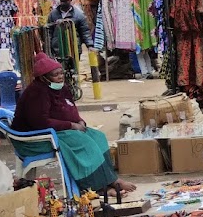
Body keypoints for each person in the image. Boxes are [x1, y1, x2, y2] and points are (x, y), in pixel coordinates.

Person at [12, 52, 135, 194]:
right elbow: (41, 122)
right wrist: (71, 125)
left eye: (61, 73)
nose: (60, 77)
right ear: (44, 78)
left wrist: (79, 121)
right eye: (55, 75)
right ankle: (102, 187)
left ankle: (110, 180)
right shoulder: (36, 92)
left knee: (98, 137)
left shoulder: (61, 88)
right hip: (36, 137)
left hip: (59, 129)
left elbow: (70, 108)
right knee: (85, 143)